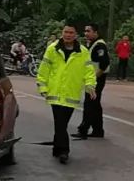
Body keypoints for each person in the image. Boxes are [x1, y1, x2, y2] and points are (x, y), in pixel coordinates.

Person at [37, 24, 96, 163]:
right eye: (66, 32)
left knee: (62, 123)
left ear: (75, 34)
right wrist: (42, 87)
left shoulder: (83, 52)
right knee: (60, 122)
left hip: (71, 93)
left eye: (71, 32)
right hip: (55, 92)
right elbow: (44, 69)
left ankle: (57, 147)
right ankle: (64, 150)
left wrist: (90, 85)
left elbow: (89, 71)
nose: (68, 35)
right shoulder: (52, 49)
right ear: (62, 33)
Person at [75, 24, 111, 139]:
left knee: (89, 104)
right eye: (85, 31)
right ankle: (98, 130)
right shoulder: (92, 45)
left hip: (96, 80)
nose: (86, 33)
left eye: (88, 31)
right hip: (93, 79)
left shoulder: (99, 45)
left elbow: (104, 63)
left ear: (95, 32)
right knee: (95, 105)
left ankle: (84, 129)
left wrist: (94, 78)